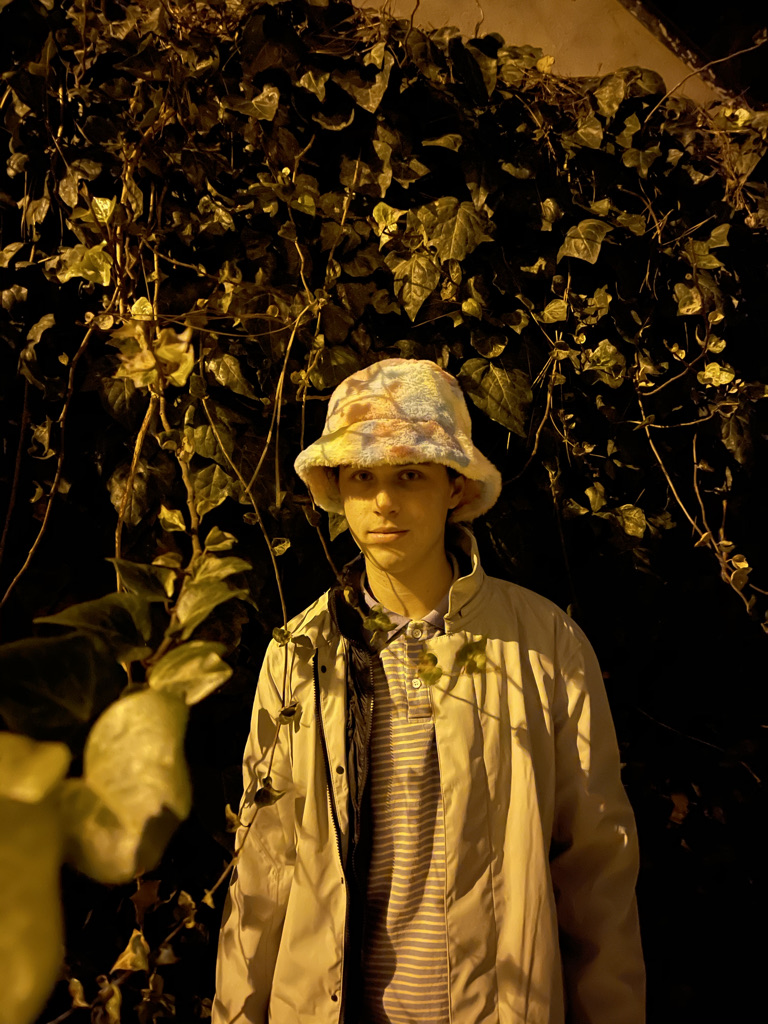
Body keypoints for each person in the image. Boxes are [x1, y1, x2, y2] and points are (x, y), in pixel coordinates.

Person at [213, 357, 645, 1024]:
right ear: (339, 491)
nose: (384, 501)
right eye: (363, 476)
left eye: (409, 474)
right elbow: (264, 870)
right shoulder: (298, 656)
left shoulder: (546, 647)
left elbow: (598, 872)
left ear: (454, 485)